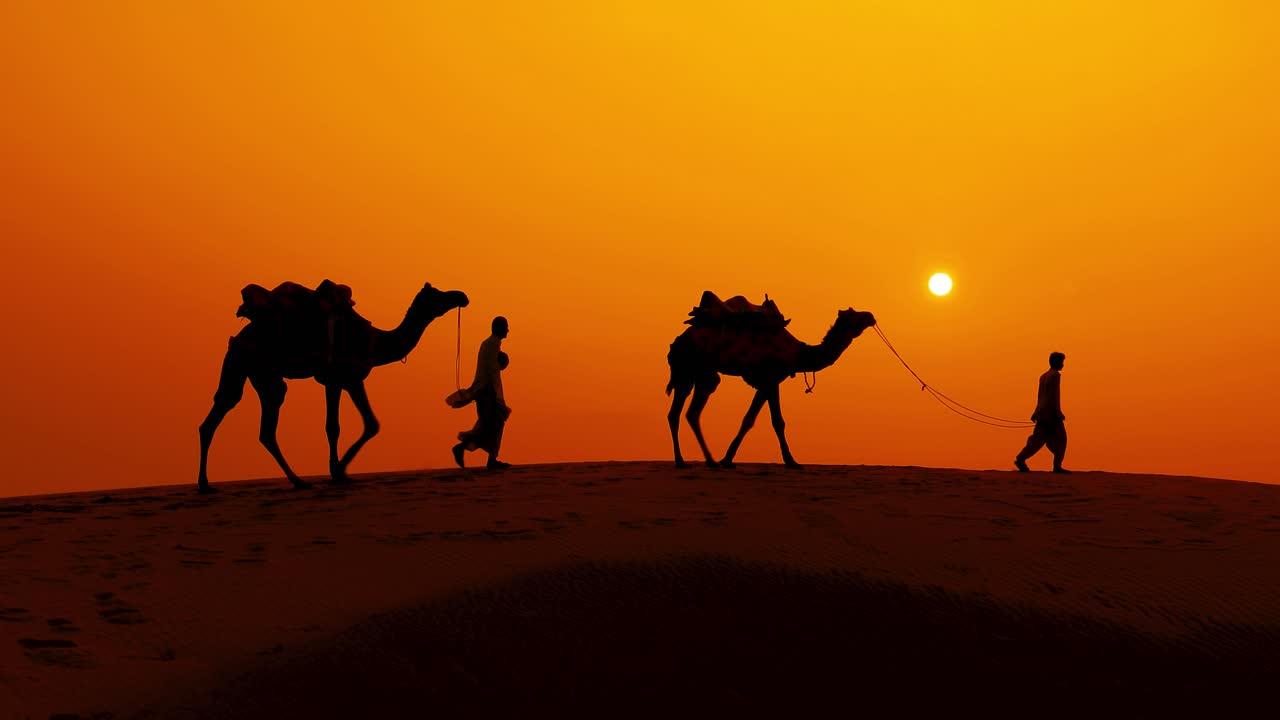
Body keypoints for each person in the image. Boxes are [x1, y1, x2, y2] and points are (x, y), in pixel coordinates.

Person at [449, 316, 512, 470]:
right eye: (506, 327)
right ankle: (469, 450)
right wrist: (496, 395)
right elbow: (491, 371)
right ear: (499, 328)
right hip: (487, 392)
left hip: (486, 391)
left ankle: (489, 458)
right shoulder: (491, 345)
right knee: (493, 424)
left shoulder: (490, 344)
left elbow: (491, 368)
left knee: (491, 424)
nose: (508, 330)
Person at [1015, 352, 1069, 473]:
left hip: (1042, 413)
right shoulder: (1055, 375)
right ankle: (1057, 466)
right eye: (1062, 362)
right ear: (1056, 362)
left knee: (1038, 440)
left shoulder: (1043, 376)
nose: (1063, 365)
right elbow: (1054, 396)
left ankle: (1021, 458)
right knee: (1061, 439)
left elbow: (1040, 397)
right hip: (1051, 415)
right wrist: (1058, 412)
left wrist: (1037, 411)